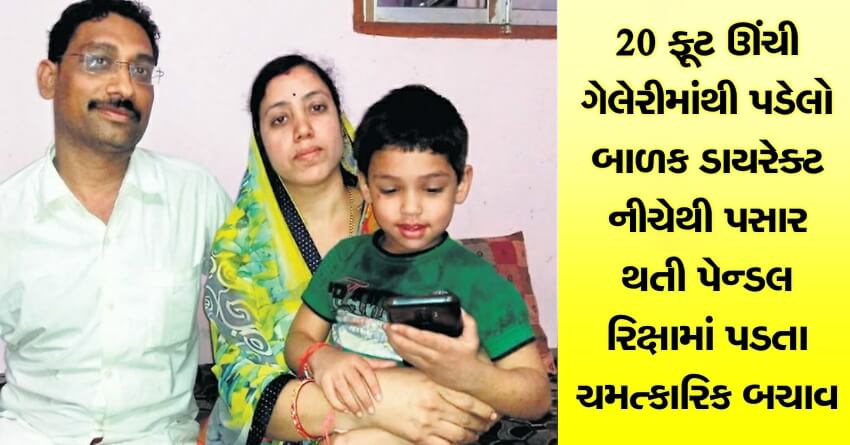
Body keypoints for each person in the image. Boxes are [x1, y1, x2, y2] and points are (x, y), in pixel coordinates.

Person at [203, 56, 498, 445]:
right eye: (280, 119)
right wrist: (378, 404)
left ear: (341, 123)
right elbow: (241, 394)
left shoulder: (393, 215)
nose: (303, 130)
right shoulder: (238, 256)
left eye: (316, 107)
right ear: (260, 143)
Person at [0, 1, 231, 444]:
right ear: (49, 78)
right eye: (99, 61)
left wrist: (222, 425)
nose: (124, 86)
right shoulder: (9, 214)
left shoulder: (195, 197)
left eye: (141, 71)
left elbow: (259, 320)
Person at [283, 85, 551, 443]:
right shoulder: (345, 258)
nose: (411, 208)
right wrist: (322, 357)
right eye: (391, 190)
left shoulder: (480, 284)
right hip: (350, 419)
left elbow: (537, 397)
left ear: (461, 184)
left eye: (432, 189)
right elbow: (298, 339)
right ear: (366, 186)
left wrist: (471, 374)